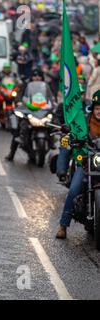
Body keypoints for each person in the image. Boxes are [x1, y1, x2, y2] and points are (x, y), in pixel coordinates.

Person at [56, 90, 100, 239]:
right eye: (97, 108)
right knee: (74, 189)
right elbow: (72, 133)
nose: (99, 111)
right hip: (86, 163)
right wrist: (68, 137)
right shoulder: (84, 123)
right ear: (93, 109)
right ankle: (63, 225)